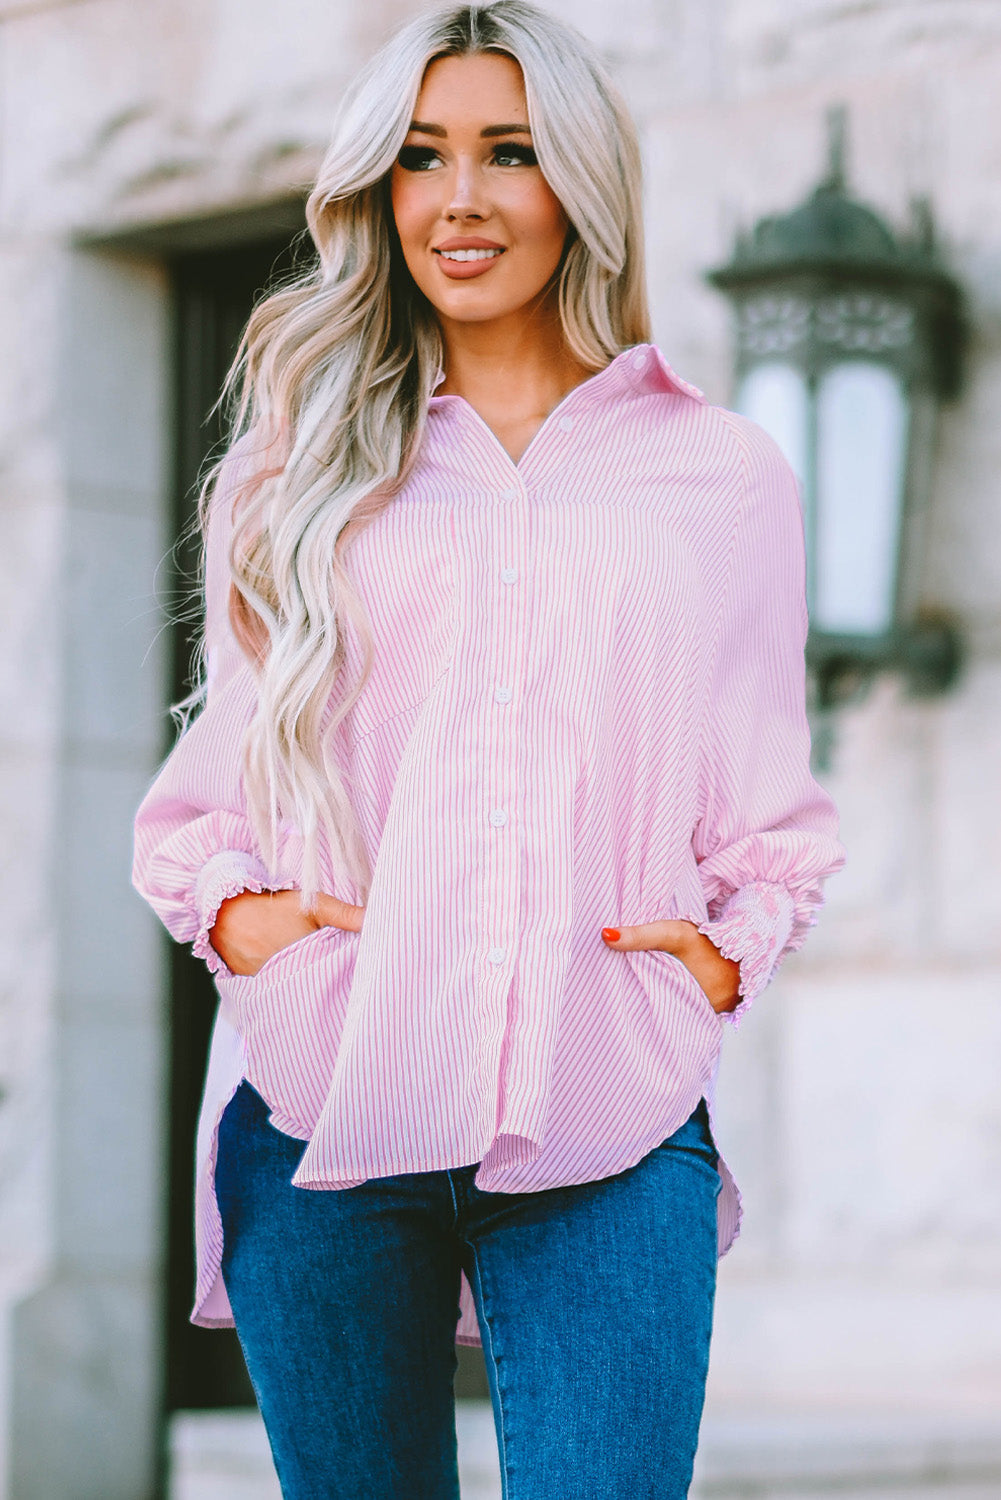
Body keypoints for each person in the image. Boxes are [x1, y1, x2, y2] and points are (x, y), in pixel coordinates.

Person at [133, 3, 844, 1496]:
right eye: (420, 157)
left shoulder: (718, 477)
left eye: (508, 152)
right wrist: (254, 927)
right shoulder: (292, 465)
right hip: (329, 1105)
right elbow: (209, 795)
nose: (459, 199)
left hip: (610, 1118)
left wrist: (720, 953)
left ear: (578, 179)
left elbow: (769, 801)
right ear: (377, 195)